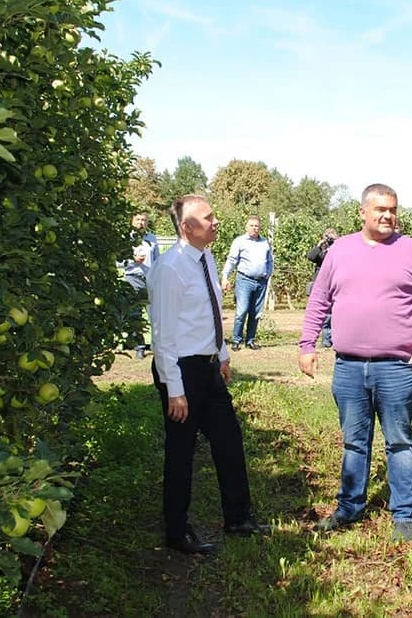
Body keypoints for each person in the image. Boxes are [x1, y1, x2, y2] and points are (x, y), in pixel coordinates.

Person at [298, 184, 412, 542]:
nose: (387, 215)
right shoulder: (340, 251)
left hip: (397, 367)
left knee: (399, 442)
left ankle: (403, 514)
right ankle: (349, 507)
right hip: (349, 366)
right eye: (380, 209)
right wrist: (307, 344)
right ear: (363, 212)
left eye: (392, 209)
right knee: (354, 441)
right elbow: (319, 299)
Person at [147, 194, 268, 555]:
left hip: (208, 366)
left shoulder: (206, 257)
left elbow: (210, 312)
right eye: (208, 218)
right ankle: (177, 531)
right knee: (181, 451)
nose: (215, 222)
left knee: (229, 440)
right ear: (186, 227)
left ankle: (238, 518)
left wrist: (223, 354)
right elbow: (162, 335)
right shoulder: (170, 268)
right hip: (181, 369)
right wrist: (174, 389)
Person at [221, 216, 273, 350]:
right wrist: (225, 276)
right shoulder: (240, 241)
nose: (254, 228)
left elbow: (269, 260)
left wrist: (268, 273)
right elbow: (232, 260)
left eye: (257, 226)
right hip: (245, 280)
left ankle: (250, 340)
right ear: (246, 227)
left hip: (261, 281)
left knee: (256, 312)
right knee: (242, 311)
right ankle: (236, 340)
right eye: (252, 225)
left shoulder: (265, 242)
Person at [124, 212, 160, 359]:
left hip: (150, 278)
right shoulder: (126, 238)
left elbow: (157, 260)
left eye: (144, 220)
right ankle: (139, 346)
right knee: (136, 313)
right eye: (138, 219)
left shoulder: (152, 238)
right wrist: (133, 260)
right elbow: (119, 261)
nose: (141, 222)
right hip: (133, 277)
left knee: (154, 311)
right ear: (132, 221)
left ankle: (157, 344)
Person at [306, 227, 339, 348]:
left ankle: (335, 339)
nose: (329, 238)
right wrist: (319, 245)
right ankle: (326, 340)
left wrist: (337, 243)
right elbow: (311, 256)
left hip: (335, 283)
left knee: (336, 313)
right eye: (327, 236)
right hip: (321, 284)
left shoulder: (339, 248)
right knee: (324, 315)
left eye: (331, 235)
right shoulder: (322, 250)